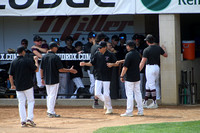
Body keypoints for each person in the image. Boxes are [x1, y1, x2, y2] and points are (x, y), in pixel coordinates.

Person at [40, 42, 77, 118]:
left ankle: (49, 111)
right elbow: (60, 69)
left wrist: (42, 78)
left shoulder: (44, 57)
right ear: (53, 48)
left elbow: (41, 69)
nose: (57, 48)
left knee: (49, 95)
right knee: (52, 96)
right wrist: (69, 70)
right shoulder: (55, 57)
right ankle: (51, 112)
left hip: (46, 78)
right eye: (56, 47)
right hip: (54, 79)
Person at [80, 41, 117, 114]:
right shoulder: (97, 54)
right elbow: (92, 63)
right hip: (98, 76)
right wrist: (85, 63)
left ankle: (109, 108)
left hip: (107, 76)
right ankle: (107, 103)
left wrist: (112, 64)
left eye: (100, 48)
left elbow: (116, 64)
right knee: (97, 93)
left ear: (105, 48)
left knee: (106, 93)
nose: (99, 49)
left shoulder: (110, 54)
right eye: (99, 48)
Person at [8, 46, 39, 127]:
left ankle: (23, 121)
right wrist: (36, 61)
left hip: (18, 85)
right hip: (28, 84)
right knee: (30, 101)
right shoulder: (27, 60)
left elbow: (10, 75)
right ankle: (29, 119)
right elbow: (36, 69)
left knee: (21, 103)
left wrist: (12, 85)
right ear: (23, 52)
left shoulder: (14, 61)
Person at [139, 34, 168, 109]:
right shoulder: (158, 48)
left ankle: (155, 102)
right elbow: (165, 55)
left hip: (150, 67)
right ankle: (145, 102)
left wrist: (138, 70)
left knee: (151, 85)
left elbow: (143, 61)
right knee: (149, 84)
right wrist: (163, 49)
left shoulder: (146, 49)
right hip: (156, 67)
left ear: (148, 42)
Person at [119, 40, 144, 117]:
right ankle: (140, 111)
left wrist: (121, 76)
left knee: (129, 95)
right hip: (137, 76)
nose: (126, 47)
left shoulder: (128, 54)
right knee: (138, 94)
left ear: (129, 46)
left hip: (129, 77)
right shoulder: (137, 54)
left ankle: (129, 111)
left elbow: (125, 67)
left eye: (127, 46)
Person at [90, 32, 107, 108]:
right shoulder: (97, 47)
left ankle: (96, 102)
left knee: (96, 86)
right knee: (97, 86)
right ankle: (100, 102)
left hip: (93, 68)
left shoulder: (93, 46)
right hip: (96, 69)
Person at [132, 34, 148, 98]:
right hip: (133, 69)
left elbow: (143, 58)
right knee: (133, 86)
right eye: (135, 40)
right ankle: (135, 98)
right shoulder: (132, 48)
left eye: (138, 40)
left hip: (141, 69)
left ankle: (142, 98)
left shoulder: (143, 47)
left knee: (141, 85)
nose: (137, 41)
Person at [84, 32, 96, 97]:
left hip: (96, 67)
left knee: (97, 83)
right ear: (89, 38)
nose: (93, 39)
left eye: (94, 38)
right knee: (93, 83)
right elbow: (91, 51)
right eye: (92, 38)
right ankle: (91, 96)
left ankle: (95, 96)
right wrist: (94, 44)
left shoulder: (97, 45)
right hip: (89, 67)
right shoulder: (86, 45)